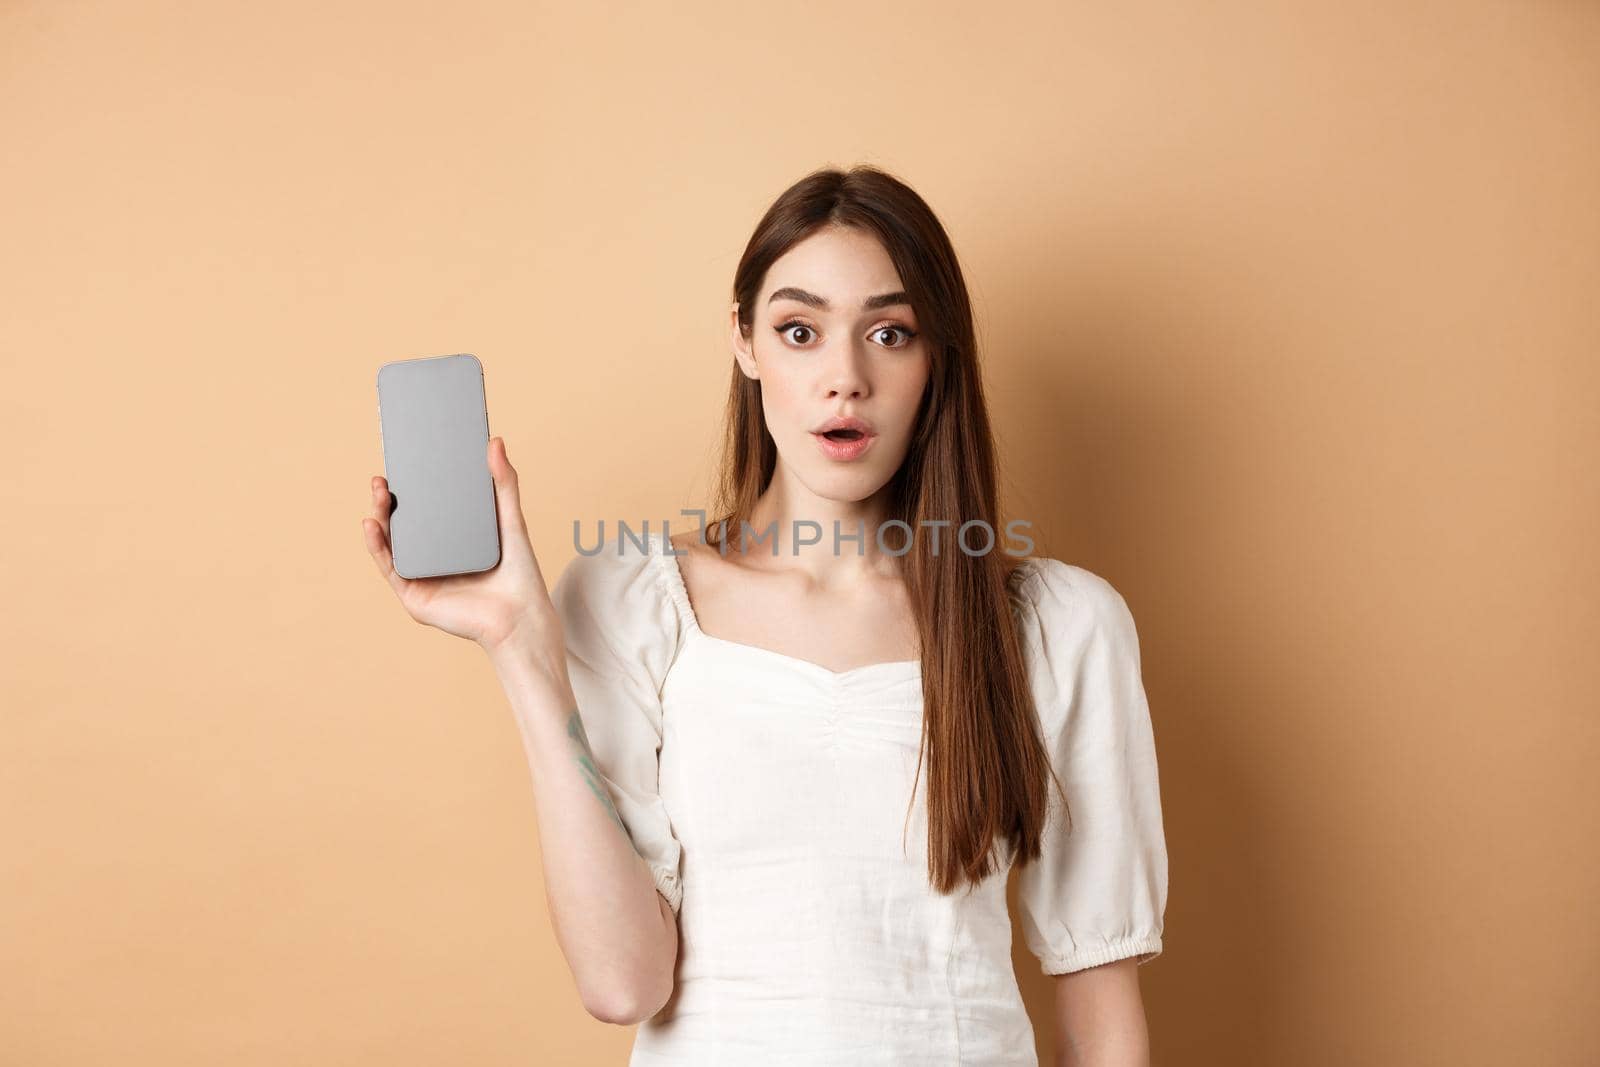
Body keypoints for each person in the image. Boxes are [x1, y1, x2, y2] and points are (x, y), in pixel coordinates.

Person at [362, 165, 1168, 1066]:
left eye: (890, 333)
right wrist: (520, 647)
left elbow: (1101, 1008)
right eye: (799, 330)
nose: (845, 378)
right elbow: (623, 983)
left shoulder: (1058, 626)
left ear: (936, 356)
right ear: (745, 343)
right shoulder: (629, 597)